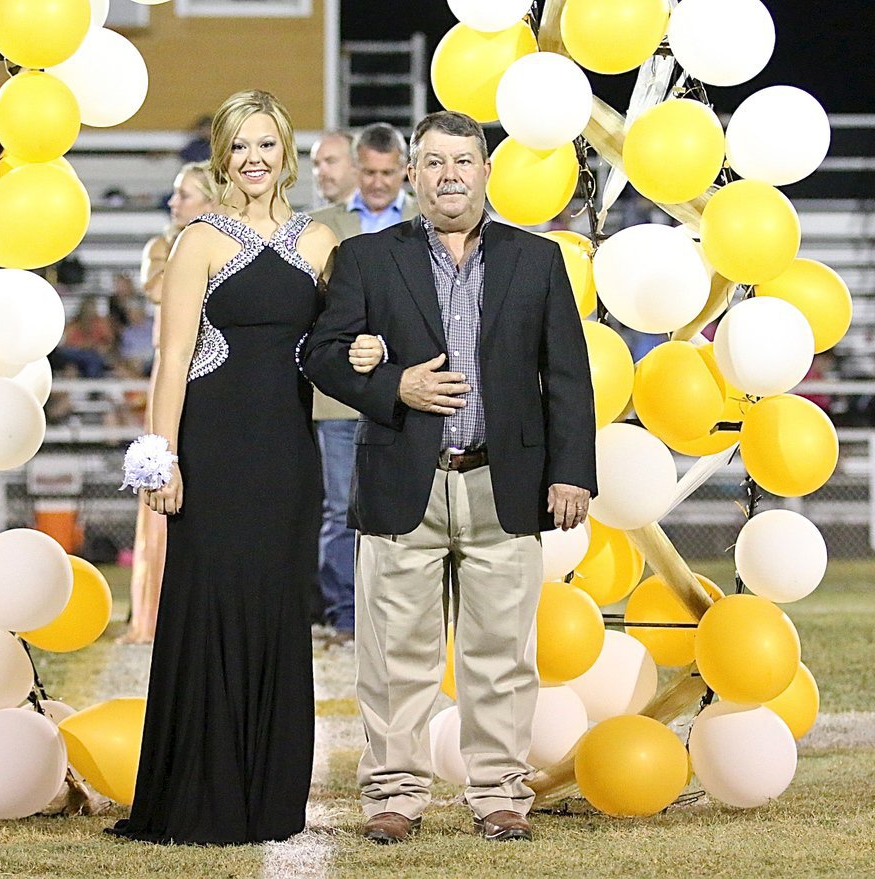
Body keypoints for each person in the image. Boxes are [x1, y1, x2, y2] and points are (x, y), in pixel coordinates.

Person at [303, 110, 597, 845]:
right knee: (394, 656)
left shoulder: (538, 260)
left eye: (462, 162)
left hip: (506, 485)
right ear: (411, 175)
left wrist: (571, 472)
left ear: (486, 172)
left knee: (501, 656)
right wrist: (393, 387)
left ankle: (499, 794)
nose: (449, 176)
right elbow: (323, 353)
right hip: (406, 479)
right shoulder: (368, 258)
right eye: (433, 163)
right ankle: (394, 795)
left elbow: (567, 376)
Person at [109, 89, 338, 845]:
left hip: (287, 456)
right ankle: (198, 792)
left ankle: (270, 796)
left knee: (276, 613)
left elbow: (336, 350)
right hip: (210, 451)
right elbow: (171, 359)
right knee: (206, 606)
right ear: (223, 156)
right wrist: (161, 456)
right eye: (240, 146)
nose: (253, 160)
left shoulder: (321, 242)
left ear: (286, 155)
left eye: (266, 145)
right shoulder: (199, 239)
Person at [308, 123, 420, 647]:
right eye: (368, 172)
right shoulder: (323, 225)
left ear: (404, 169)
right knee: (338, 510)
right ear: (356, 169)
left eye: (387, 172)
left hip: (408, 390)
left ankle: (396, 618)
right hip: (337, 396)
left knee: (402, 505)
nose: (377, 182)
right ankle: (347, 615)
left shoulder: (428, 222)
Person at [119, 161, 216, 645]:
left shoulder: (222, 248)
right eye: (176, 195)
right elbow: (157, 288)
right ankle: (152, 614)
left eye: (186, 195)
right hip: (170, 372)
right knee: (160, 486)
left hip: (213, 373)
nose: (174, 203)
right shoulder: (161, 248)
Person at [310, 130, 358, 207]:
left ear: (356, 164)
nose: (321, 172)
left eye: (331, 161)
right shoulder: (309, 217)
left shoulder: (379, 215)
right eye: (316, 164)